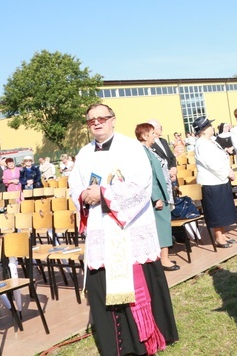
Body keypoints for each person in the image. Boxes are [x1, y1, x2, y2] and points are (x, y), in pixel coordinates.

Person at [69, 104, 178, 355]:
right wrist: (83, 193)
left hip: (127, 227)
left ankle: (141, 339)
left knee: (134, 283)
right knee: (106, 285)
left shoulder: (131, 148)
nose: (96, 123)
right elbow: (74, 183)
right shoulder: (84, 153)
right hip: (100, 226)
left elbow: (141, 184)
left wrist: (104, 194)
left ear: (113, 120)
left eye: (102, 118)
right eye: (91, 120)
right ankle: (116, 342)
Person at [136, 123, 178, 271]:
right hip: (157, 195)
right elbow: (149, 176)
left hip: (162, 192)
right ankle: (164, 259)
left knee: (162, 226)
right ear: (144, 135)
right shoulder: (142, 152)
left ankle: (163, 257)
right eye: (152, 133)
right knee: (162, 227)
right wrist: (156, 197)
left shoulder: (148, 150)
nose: (156, 135)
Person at [193, 116, 237, 248]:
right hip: (211, 182)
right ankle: (218, 237)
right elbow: (211, 163)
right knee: (216, 210)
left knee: (222, 209)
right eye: (209, 126)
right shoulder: (201, 143)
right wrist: (227, 172)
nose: (212, 128)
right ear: (204, 130)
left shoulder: (211, 141)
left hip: (219, 180)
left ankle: (222, 234)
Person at [148, 119, 178, 189]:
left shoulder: (163, 141)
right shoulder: (150, 145)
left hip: (172, 177)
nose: (162, 129)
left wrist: (174, 168)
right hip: (163, 180)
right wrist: (168, 173)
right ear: (153, 129)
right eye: (160, 127)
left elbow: (171, 157)